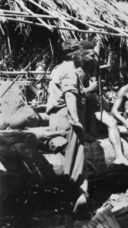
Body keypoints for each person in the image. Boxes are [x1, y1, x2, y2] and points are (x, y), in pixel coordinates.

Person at [46, 39, 96, 212]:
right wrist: (75, 120)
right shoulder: (69, 71)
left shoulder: (58, 68)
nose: (82, 57)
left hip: (58, 118)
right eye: (81, 54)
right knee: (74, 162)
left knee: (70, 161)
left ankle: (78, 201)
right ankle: (72, 206)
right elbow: (69, 96)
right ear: (75, 55)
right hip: (67, 118)